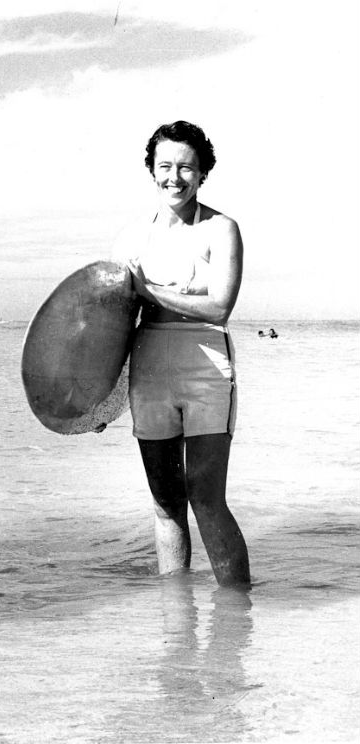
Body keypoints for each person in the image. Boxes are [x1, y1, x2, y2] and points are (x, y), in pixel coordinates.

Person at [112, 121, 250, 586]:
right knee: (165, 502)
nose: (175, 177)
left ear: (202, 173)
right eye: (165, 165)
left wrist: (151, 290)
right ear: (151, 170)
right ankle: (176, 622)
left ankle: (237, 620)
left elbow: (220, 306)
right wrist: (92, 398)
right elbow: (110, 325)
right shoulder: (131, 238)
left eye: (186, 167)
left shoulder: (221, 228)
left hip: (206, 366)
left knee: (206, 498)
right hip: (148, 368)